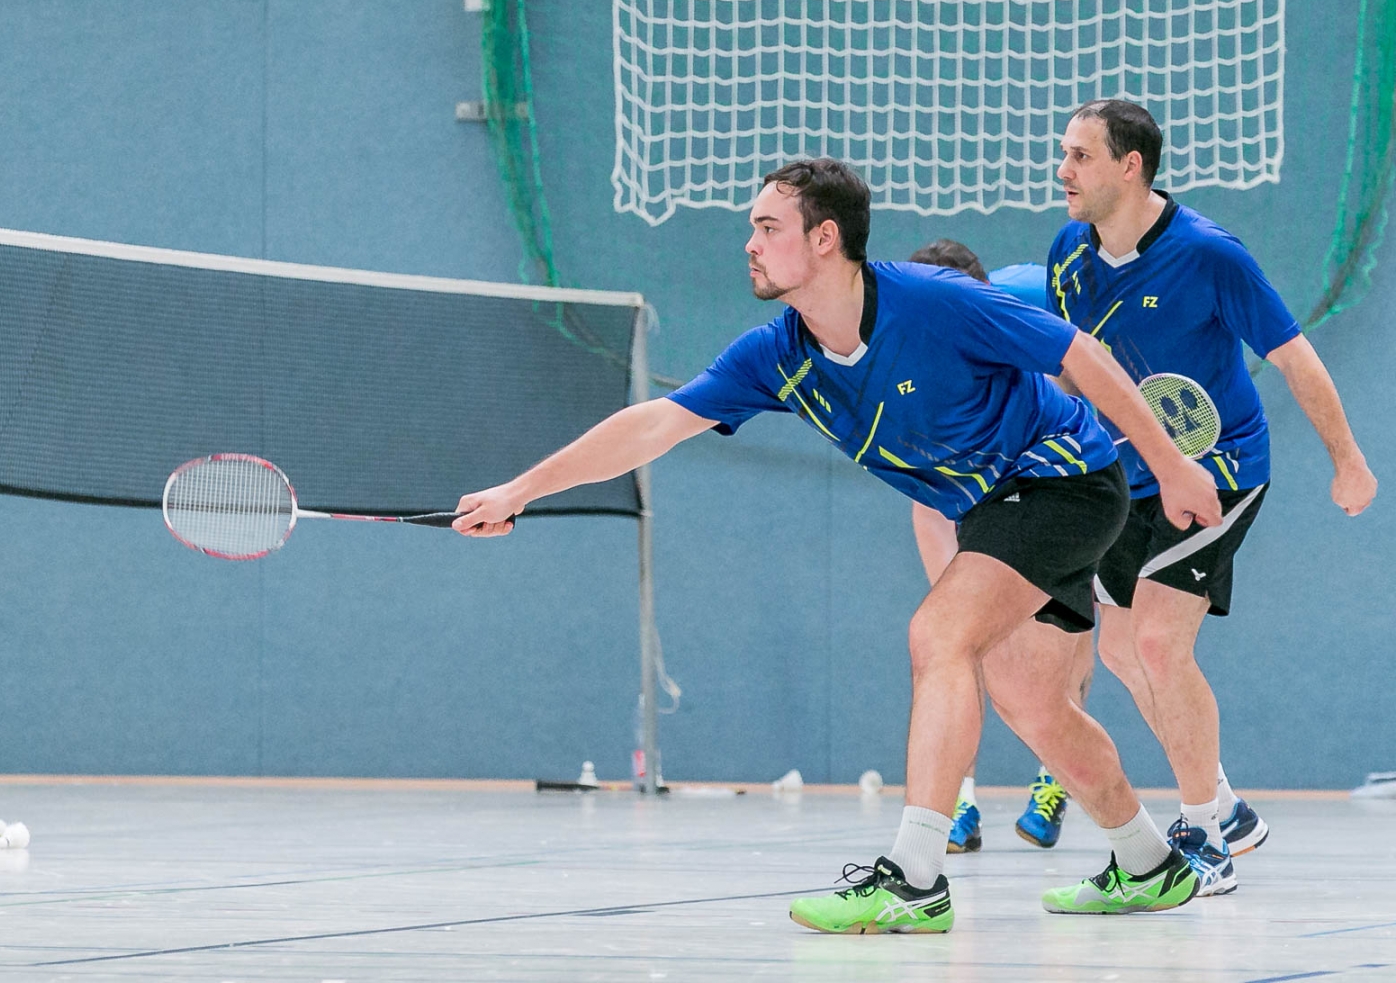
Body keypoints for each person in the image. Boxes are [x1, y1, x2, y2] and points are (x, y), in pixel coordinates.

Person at [454, 158, 1222, 932]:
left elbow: (1079, 354)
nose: (750, 244)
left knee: (938, 636)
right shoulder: (778, 355)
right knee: (1032, 705)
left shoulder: (934, 302)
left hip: (1065, 478)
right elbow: (655, 423)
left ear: (825, 238)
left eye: (768, 228)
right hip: (992, 508)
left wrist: (1172, 466)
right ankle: (1148, 863)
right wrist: (520, 490)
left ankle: (914, 880)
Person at [1048, 99, 1378, 895]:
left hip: (1218, 468)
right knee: (1121, 651)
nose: (1063, 171)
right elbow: (1070, 366)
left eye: (1081, 155)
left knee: (1161, 643)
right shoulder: (1067, 253)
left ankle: (1202, 839)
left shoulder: (1208, 254)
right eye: (1065, 153)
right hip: (1127, 473)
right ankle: (1226, 807)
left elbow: (1294, 357)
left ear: (1131, 166)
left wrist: (1348, 461)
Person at [906, 242, 1089, 854]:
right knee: (954, 638)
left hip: (1047, 486)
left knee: (1065, 632)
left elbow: (1092, 373)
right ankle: (956, 802)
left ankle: (1055, 776)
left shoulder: (1037, 299)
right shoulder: (899, 330)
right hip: (953, 491)